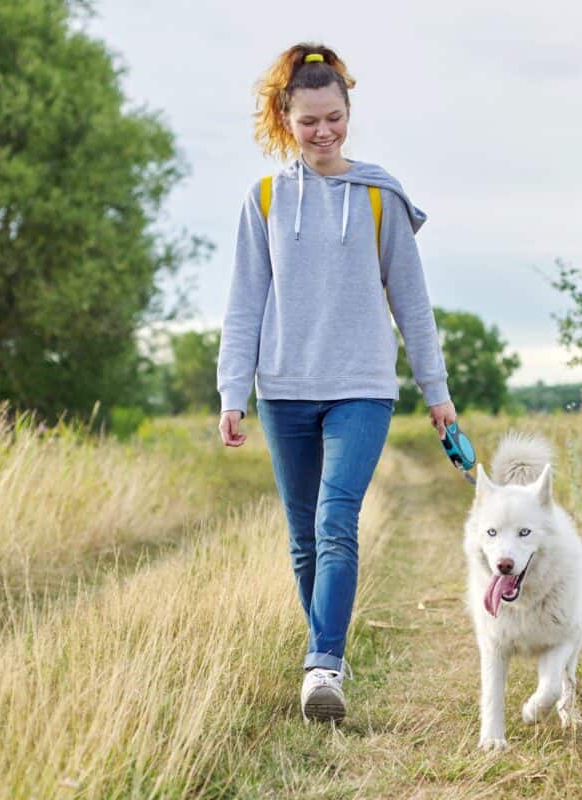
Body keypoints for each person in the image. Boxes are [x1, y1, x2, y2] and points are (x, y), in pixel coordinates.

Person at [217, 42, 456, 723]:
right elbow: (244, 303)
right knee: (302, 538)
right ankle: (329, 653)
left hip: (362, 387)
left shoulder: (380, 198)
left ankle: (322, 664)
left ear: (350, 111)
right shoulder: (264, 199)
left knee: (334, 521)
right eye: (309, 121)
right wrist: (233, 391)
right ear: (285, 119)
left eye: (334, 118)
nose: (323, 133)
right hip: (284, 389)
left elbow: (413, 304)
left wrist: (435, 394)